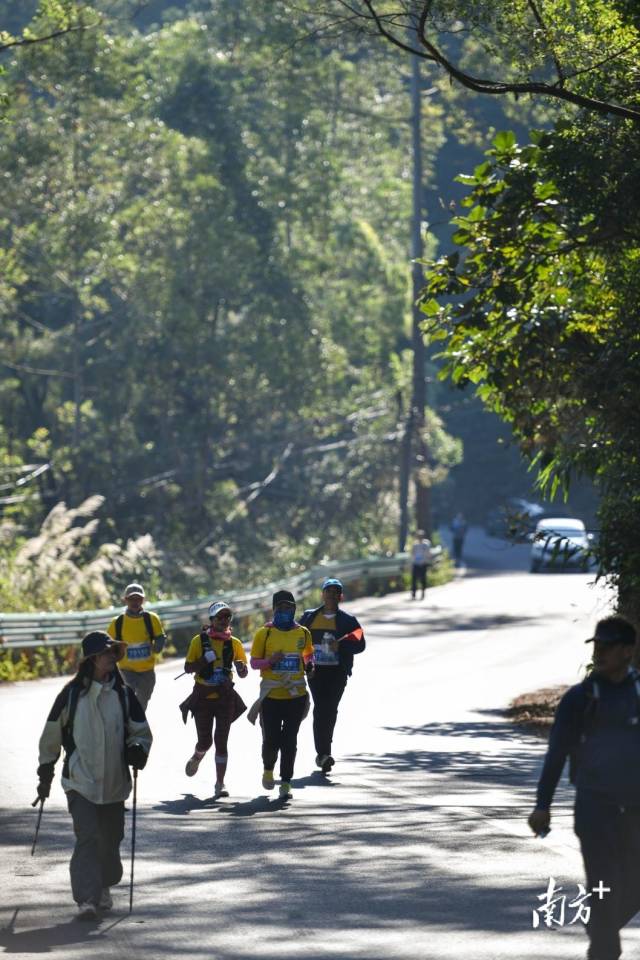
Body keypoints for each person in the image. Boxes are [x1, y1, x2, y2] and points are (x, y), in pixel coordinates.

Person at [528, 615, 640, 960]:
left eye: (608, 646)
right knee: (604, 888)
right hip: (594, 810)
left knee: (634, 889)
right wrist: (542, 804)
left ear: (627, 651)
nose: (600, 652)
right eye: (597, 645)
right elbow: (557, 752)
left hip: (636, 811)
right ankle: (604, 942)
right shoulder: (579, 699)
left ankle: (602, 927)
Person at [36, 631, 152, 919]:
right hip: (80, 781)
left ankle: (103, 886)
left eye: (114, 651)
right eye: (106, 652)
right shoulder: (71, 695)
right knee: (88, 836)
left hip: (115, 784)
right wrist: (45, 773)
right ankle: (87, 898)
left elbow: (141, 731)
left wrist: (138, 748)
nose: (112, 656)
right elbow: (51, 735)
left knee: (111, 839)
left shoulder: (124, 695)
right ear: (92, 659)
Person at [247, 590, 314, 800]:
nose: (285, 612)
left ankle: (286, 781)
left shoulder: (303, 633)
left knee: (290, 740)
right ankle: (268, 769)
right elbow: (254, 662)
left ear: (294, 609)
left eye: (289, 608)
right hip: (272, 697)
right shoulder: (264, 633)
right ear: (274, 610)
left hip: (296, 696)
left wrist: (310, 665)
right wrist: (270, 661)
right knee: (271, 739)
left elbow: (308, 656)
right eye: (281, 608)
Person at [179, 600, 248, 798]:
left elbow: (243, 673)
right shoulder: (198, 642)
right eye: (219, 617)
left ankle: (220, 783)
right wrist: (203, 661)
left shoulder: (234, 643)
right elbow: (187, 668)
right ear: (211, 620)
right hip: (203, 697)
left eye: (227, 617)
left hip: (225, 698)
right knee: (205, 741)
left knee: (221, 740)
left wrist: (242, 669)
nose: (224, 620)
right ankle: (197, 756)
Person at [300, 577, 365, 773]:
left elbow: (361, 645)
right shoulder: (309, 617)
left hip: (338, 672)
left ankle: (323, 752)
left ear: (341, 596)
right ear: (322, 594)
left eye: (335, 592)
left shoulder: (348, 620)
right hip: (315, 671)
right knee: (321, 708)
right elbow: (296, 637)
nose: (331, 595)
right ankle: (323, 754)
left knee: (330, 709)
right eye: (328, 591)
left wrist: (341, 644)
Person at [107, 582, 166, 710]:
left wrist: (158, 645)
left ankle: (136, 725)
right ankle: (127, 726)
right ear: (125, 600)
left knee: (142, 703)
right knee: (126, 702)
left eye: (138, 599)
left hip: (147, 672)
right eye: (131, 599)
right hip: (126, 671)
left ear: (143, 600)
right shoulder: (117, 622)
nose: (135, 602)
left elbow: (160, 636)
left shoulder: (152, 619)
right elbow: (109, 644)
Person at [410, 529, 432, 599]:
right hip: (416, 563)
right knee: (414, 579)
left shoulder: (426, 544)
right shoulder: (415, 544)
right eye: (418, 536)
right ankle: (413, 593)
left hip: (423, 563)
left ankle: (423, 592)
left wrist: (427, 561)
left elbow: (428, 553)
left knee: (423, 579)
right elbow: (412, 554)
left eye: (421, 536)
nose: (420, 537)